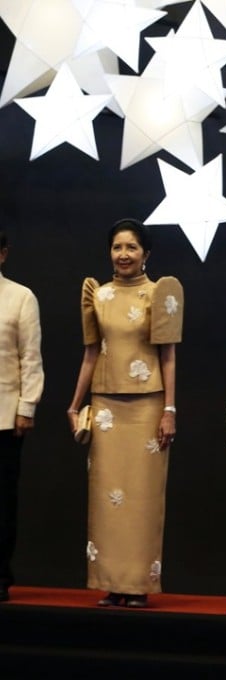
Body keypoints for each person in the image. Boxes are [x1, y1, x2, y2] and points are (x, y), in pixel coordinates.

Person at [67, 219, 183, 608]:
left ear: (146, 254)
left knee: (143, 499)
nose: (124, 255)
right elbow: (90, 354)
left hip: (147, 405)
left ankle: (138, 586)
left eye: (131, 247)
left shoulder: (159, 293)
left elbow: (168, 356)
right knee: (106, 498)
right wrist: (74, 404)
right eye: (117, 247)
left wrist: (169, 408)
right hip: (106, 409)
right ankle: (112, 583)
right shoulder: (96, 295)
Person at [0, 230, 44, 603]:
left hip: (4, 416)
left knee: (2, 502)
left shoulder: (20, 297)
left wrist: (26, 407)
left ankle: (0, 575)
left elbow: (31, 358)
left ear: (3, 255)